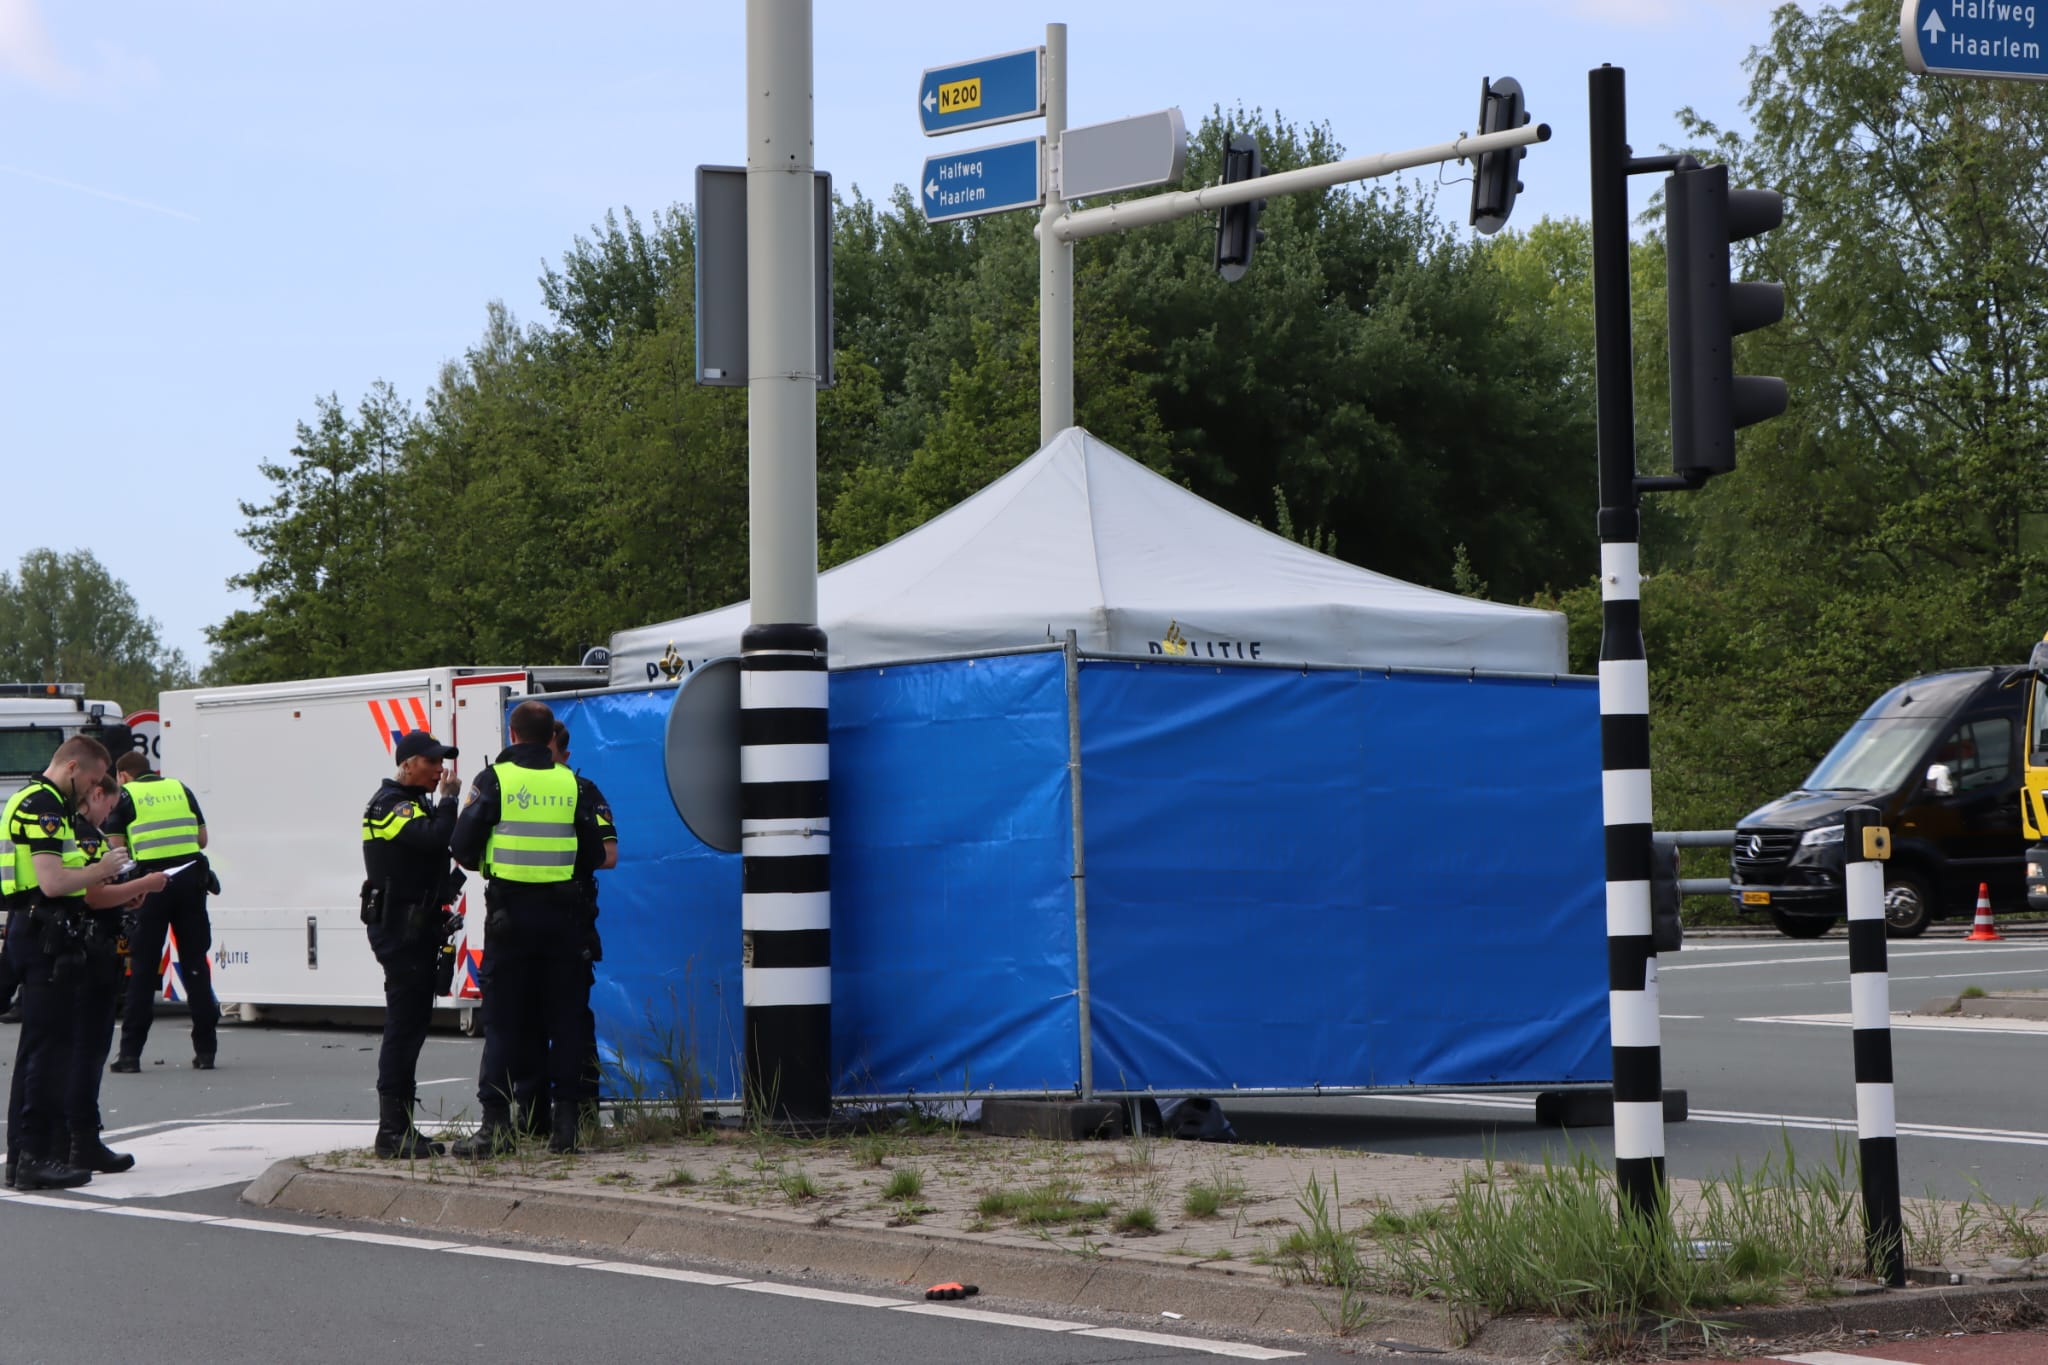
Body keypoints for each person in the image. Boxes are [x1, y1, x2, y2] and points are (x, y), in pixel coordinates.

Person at [449, 700, 605, 1157]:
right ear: (549, 737)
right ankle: (566, 1128)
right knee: (568, 1021)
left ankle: (495, 1129)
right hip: (564, 921)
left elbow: (461, 846)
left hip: (509, 920)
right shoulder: (572, 784)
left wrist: (492, 862)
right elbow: (595, 855)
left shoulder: (494, 780)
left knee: (503, 1023)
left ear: (513, 735)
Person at [1, 736, 128, 1190]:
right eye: (92, 780)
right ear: (73, 766)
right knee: (48, 1052)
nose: (92, 789)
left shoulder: (33, 799)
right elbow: (54, 882)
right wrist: (102, 868)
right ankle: (35, 1156)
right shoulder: (46, 807)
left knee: (41, 1048)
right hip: (44, 931)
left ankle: (28, 1153)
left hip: (36, 928)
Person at [509, 719, 616, 1139]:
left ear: (563, 753)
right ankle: (532, 1114)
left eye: (548, 751)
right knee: (525, 1019)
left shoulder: (582, 790)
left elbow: (608, 855)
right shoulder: (512, 786)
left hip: (569, 919)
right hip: (522, 922)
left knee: (571, 1020)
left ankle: (581, 1111)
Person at [360, 730, 465, 1158]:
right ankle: (391, 1131)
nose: (440, 769)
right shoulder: (390, 804)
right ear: (408, 764)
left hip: (417, 927)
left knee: (414, 1025)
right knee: (404, 1028)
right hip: (400, 929)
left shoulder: (415, 803)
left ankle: (402, 1126)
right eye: (432, 761)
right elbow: (434, 838)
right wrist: (451, 800)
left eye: (442, 761)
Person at [67, 773, 166, 1174]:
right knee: (86, 1051)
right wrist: (143, 884)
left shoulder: (80, 831)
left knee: (86, 1050)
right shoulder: (85, 835)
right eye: (110, 806)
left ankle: (77, 1139)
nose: (112, 816)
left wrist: (128, 895)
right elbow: (93, 895)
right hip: (89, 952)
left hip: (91, 946)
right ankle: (80, 1141)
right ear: (96, 794)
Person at [107, 750, 220, 1073]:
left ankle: (129, 1055)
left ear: (123, 775)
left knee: (142, 970)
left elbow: (116, 846)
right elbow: (201, 838)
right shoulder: (180, 788)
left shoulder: (126, 795)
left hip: (149, 887)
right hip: (190, 882)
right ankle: (206, 1051)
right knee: (196, 965)